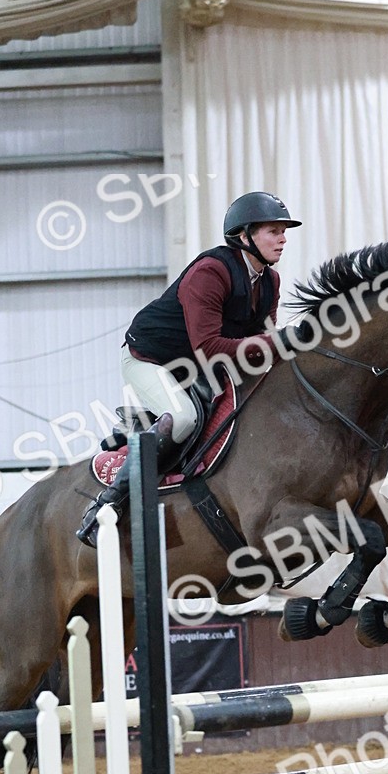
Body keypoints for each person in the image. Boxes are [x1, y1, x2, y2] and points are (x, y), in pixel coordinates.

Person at [76, 191, 302, 547]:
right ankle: (108, 502)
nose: (283, 239)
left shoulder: (269, 281)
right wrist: (278, 342)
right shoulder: (211, 271)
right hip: (150, 358)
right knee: (183, 418)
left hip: (200, 366)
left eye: (284, 231)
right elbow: (210, 347)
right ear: (244, 236)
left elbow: (263, 344)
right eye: (273, 231)